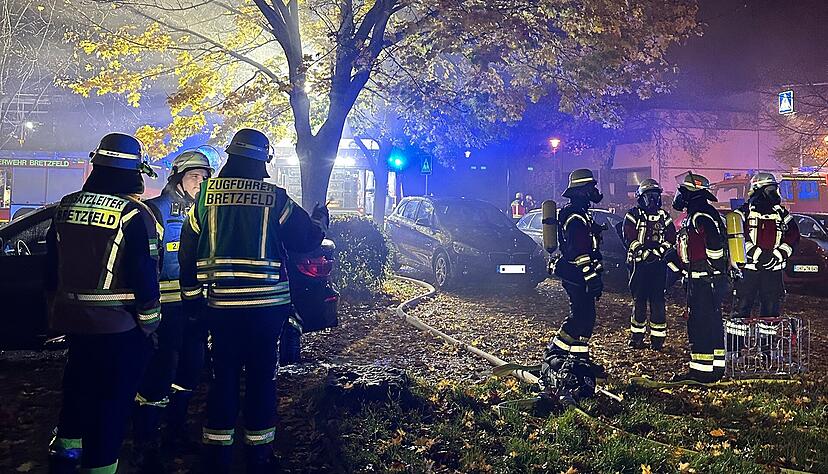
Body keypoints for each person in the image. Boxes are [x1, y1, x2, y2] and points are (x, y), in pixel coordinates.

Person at [178, 128, 327, 472]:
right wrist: (321, 219)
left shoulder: (205, 198)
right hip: (266, 310)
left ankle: (217, 457)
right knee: (262, 378)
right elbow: (307, 239)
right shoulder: (273, 197)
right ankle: (259, 458)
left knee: (223, 377)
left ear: (231, 156)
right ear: (264, 161)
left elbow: (187, 256)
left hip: (221, 308)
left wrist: (193, 307)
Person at [46, 133, 162, 474]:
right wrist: (150, 323)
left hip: (75, 325)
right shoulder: (133, 213)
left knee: (77, 389)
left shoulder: (65, 205)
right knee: (111, 405)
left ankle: (64, 457)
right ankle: (100, 466)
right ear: (133, 171)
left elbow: (50, 267)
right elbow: (144, 271)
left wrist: (55, 312)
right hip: (120, 328)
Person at [132, 147, 215, 470]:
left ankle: (175, 431)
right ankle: (145, 442)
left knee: (190, 373)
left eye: (204, 178)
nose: (199, 183)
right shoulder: (156, 211)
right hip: (165, 313)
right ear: (179, 179)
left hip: (195, 309)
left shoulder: (207, 213)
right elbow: (145, 264)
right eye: (194, 176)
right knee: (158, 376)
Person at [541, 169, 604, 370]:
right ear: (582, 191)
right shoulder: (574, 216)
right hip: (576, 274)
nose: (594, 191)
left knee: (587, 318)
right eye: (591, 188)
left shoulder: (580, 213)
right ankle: (555, 351)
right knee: (579, 316)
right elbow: (579, 250)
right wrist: (591, 277)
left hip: (580, 274)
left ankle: (579, 360)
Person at [671, 172, 728, 382]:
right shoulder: (704, 212)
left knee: (700, 324)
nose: (679, 195)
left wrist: (710, 272)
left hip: (704, 281)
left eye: (682, 190)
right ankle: (715, 369)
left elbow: (714, 245)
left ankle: (701, 372)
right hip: (708, 280)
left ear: (690, 193)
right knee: (712, 322)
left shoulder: (699, 215)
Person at [734, 173, 800, 317]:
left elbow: (793, 235)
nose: (775, 194)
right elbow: (738, 237)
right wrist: (760, 255)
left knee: (771, 311)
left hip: (773, 271)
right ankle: (737, 339)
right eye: (770, 190)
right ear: (758, 190)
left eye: (775, 189)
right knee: (742, 309)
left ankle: (766, 339)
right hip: (748, 270)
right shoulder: (743, 213)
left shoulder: (781, 213)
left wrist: (778, 255)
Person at [622, 178, 676, 350]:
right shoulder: (633, 214)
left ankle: (658, 340)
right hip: (639, 266)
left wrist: (658, 253)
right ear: (641, 197)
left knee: (658, 302)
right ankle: (637, 337)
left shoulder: (664, 217)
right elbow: (629, 237)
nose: (653, 200)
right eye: (649, 196)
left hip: (658, 266)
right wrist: (645, 253)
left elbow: (671, 238)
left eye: (655, 196)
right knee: (639, 301)